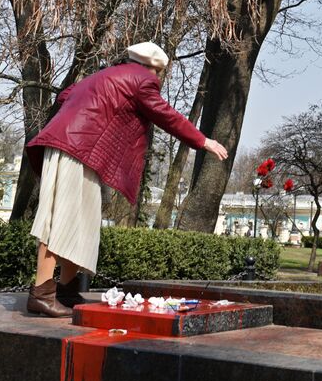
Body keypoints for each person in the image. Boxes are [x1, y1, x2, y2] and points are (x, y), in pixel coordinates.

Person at [22, 42, 228, 316]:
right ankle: (42, 293)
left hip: (74, 146)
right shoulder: (142, 81)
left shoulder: (105, 74)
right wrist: (203, 140)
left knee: (82, 221)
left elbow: (65, 97)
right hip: (76, 148)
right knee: (58, 218)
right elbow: (167, 116)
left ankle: (66, 290)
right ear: (154, 69)